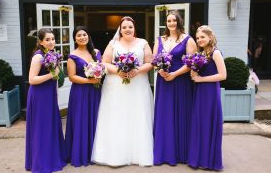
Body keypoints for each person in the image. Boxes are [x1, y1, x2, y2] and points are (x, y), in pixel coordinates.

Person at [91, 16, 154, 166]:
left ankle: (138, 154)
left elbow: (150, 62)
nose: (127, 30)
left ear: (134, 28)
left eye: (130, 27)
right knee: (117, 115)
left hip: (138, 84)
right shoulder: (113, 43)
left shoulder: (143, 43)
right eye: (124, 27)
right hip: (116, 84)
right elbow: (104, 62)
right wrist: (118, 70)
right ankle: (115, 154)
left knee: (136, 114)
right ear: (120, 29)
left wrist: (137, 70)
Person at [153, 10, 197, 165]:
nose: (171, 23)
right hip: (163, 81)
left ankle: (180, 153)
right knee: (165, 115)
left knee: (180, 114)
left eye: (174, 20)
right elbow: (154, 60)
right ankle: (164, 152)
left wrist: (174, 75)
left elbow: (190, 64)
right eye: (169, 20)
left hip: (180, 82)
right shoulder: (160, 39)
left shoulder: (188, 40)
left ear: (179, 21)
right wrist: (162, 71)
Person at [25, 28, 67, 172]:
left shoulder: (52, 54)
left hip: (49, 95)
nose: (51, 42)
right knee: (41, 128)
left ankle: (52, 157)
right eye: (47, 39)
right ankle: (41, 163)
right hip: (39, 96)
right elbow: (32, 80)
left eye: (53, 39)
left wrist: (57, 75)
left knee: (50, 126)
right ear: (41, 42)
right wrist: (51, 75)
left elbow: (56, 76)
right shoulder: (38, 57)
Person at [188, 25, 226, 170]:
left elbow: (223, 75)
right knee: (200, 124)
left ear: (210, 37)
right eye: (197, 38)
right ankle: (199, 159)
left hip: (210, 93)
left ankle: (209, 161)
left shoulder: (216, 53)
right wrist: (193, 72)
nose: (199, 40)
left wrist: (201, 79)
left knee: (208, 124)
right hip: (199, 92)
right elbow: (196, 75)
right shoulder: (201, 53)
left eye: (202, 37)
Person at [65, 26, 102, 167]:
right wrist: (88, 80)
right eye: (79, 35)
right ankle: (81, 153)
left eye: (84, 34)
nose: (82, 37)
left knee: (95, 119)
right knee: (81, 120)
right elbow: (72, 77)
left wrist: (99, 77)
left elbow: (102, 68)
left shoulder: (97, 52)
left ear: (88, 36)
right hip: (80, 92)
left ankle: (96, 152)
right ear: (75, 38)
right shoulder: (72, 56)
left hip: (95, 91)